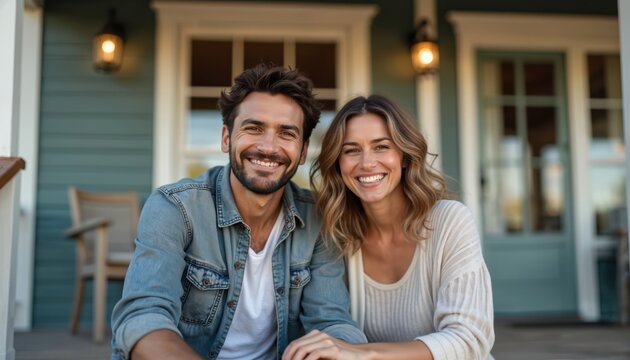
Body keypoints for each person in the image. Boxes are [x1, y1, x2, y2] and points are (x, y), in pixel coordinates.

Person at [110, 64, 366, 360]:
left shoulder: (318, 218)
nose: (268, 147)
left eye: (286, 133)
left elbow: (332, 323)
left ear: (303, 149)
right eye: (253, 128)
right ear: (226, 138)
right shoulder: (175, 207)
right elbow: (143, 319)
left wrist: (342, 347)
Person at [283, 95, 495, 360]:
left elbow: (469, 340)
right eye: (351, 150)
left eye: (381, 147)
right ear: (338, 164)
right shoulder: (336, 235)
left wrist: (364, 353)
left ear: (405, 157)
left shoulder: (450, 221)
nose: (367, 163)